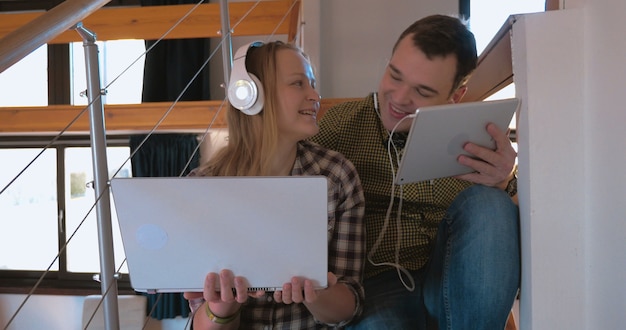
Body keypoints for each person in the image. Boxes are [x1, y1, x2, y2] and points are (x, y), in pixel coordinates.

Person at [309, 14, 520, 330]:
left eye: (422, 91)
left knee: (490, 205)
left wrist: (504, 183)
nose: (400, 98)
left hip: (457, 277)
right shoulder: (341, 126)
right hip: (377, 283)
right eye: (394, 76)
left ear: (455, 96)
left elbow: (518, 231)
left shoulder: (479, 136)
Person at [183, 41, 366, 329]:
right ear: (251, 96)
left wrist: (316, 293)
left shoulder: (336, 175)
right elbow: (202, 322)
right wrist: (223, 306)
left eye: (313, 84)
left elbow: (349, 307)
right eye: (298, 84)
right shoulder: (203, 188)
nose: (315, 96)